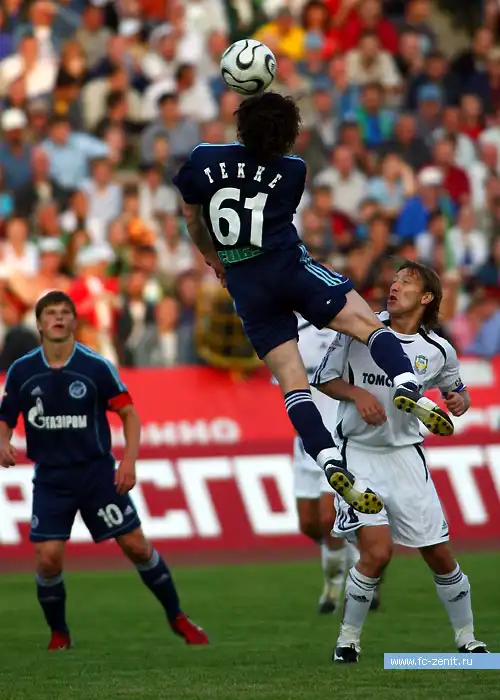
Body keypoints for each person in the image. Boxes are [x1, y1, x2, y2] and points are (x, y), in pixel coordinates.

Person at [173, 91, 453, 516]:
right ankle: (407, 384)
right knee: (368, 325)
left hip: (245, 284)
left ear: (241, 126)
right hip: (289, 269)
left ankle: (328, 460)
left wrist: (214, 259)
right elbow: (263, 176)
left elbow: (192, 218)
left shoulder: (202, 158)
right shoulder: (293, 170)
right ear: (288, 135)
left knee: (292, 382)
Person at [0, 290, 208, 650]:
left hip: (96, 475)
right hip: (51, 479)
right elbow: (6, 416)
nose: (58, 318)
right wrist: (3, 441)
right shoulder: (23, 370)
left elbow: (130, 414)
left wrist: (128, 461)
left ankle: (177, 616)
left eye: (64, 312)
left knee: (137, 547)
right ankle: (59, 634)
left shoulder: (95, 366)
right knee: (48, 559)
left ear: (74, 321)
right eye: (50, 313)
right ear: (39, 324)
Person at [312, 261, 489, 663]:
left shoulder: (439, 350)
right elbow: (324, 377)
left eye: (406, 282)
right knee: (377, 553)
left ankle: (468, 640)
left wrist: (459, 401)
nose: (395, 286)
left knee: (439, 555)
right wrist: (357, 394)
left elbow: (458, 393)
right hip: (358, 454)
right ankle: (347, 643)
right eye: (394, 280)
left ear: (426, 298)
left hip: (407, 457)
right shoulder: (360, 328)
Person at [292, 314, 364, 614]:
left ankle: (333, 590)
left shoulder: (351, 330)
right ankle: (359, 558)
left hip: (338, 440)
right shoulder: (292, 333)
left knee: (327, 519)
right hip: (304, 442)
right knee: (309, 524)